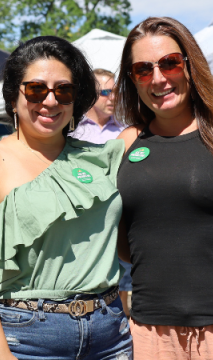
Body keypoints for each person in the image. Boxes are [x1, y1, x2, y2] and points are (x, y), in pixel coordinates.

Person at [0, 36, 132, 360]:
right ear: (13, 96)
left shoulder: (103, 158)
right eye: (36, 89)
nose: (50, 101)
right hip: (28, 339)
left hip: (111, 333)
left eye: (63, 90)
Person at [115, 17, 213, 359]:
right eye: (143, 69)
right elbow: (127, 244)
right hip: (149, 335)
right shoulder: (126, 143)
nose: (158, 78)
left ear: (190, 65)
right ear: (133, 80)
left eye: (169, 63)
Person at [70, 68, 133, 318]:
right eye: (106, 92)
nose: (113, 97)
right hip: (88, 220)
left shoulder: (127, 131)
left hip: (122, 216)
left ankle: (124, 328)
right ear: (90, 95)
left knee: (125, 281)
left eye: (116, 91)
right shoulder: (73, 132)